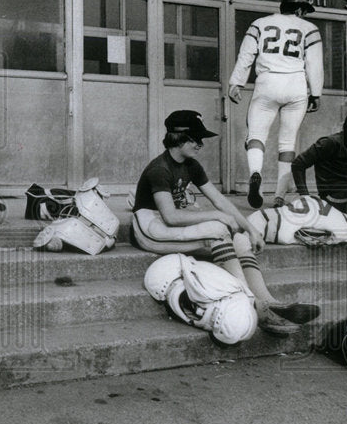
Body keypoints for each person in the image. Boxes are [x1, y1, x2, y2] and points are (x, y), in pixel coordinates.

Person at [130, 110, 319, 335]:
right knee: (218, 229)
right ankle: (253, 305)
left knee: (238, 237)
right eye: (196, 139)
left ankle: (269, 302)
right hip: (149, 226)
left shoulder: (191, 164)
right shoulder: (159, 169)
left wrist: (250, 229)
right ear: (178, 138)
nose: (200, 144)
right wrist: (216, 216)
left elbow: (220, 200)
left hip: (167, 220)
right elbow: (171, 217)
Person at [227, 0, 324, 209]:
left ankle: (255, 173)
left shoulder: (260, 24)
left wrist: (236, 83)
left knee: (256, 135)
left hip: (267, 83)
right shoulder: (309, 28)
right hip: (296, 85)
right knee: (287, 142)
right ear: (299, 10)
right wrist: (316, 93)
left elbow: (246, 55)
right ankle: (279, 196)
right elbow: (314, 64)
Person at [289, 110, 347, 210]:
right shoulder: (330, 143)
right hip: (333, 195)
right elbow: (298, 164)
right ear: (345, 127)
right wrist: (304, 196)